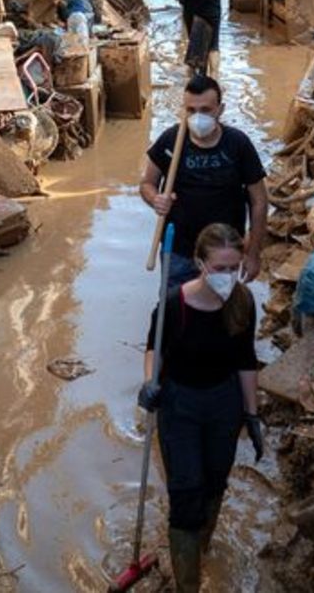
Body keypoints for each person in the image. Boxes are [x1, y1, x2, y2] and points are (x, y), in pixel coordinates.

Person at [137, 223, 264, 593]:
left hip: (223, 403)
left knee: (214, 483)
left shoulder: (242, 302)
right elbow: (153, 349)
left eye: (233, 268)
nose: (226, 277)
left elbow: (245, 360)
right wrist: (150, 383)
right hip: (181, 404)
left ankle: (199, 547)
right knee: (186, 492)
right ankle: (188, 584)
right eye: (219, 268)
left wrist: (252, 414)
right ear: (200, 263)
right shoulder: (175, 304)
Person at [140, 74, 266, 287]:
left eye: (206, 110)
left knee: (222, 311)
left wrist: (253, 253)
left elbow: (259, 201)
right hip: (179, 250)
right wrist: (156, 199)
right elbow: (147, 184)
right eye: (191, 110)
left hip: (224, 253)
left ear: (220, 109)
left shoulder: (238, 144)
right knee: (176, 310)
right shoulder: (170, 140)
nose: (198, 117)